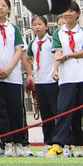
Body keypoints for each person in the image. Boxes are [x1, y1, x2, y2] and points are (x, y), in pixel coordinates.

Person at [47, 1, 83, 158]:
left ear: (77, 14)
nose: (67, 14)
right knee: (64, 110)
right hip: (67, 76)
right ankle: (59, 144)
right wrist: (55, 70)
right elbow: (57, 53)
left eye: (71, 11)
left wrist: (69, 55)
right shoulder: (58, 33)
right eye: (64, 11)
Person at [0, 0, 28, 156]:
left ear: (9, 9)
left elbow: (20, 49)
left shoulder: (14, 28)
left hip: (13, 76)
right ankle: (5, 143)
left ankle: (19, 142)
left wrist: (10, 68)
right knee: (0, 109)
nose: (0, 8)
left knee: (16, 109)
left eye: (4, 5)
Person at [25, 13, 58, 150]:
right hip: (40, 83)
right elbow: (27, 58)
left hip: (52, 81)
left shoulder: (52, 41)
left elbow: (58, 55)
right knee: (45, 115)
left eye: (39, 24)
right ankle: (49, 143)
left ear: (46, 26)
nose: (37, 27)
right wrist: (32, 73)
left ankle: (60, 143)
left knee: (56, 113)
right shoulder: (33, 43)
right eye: (34, 25)